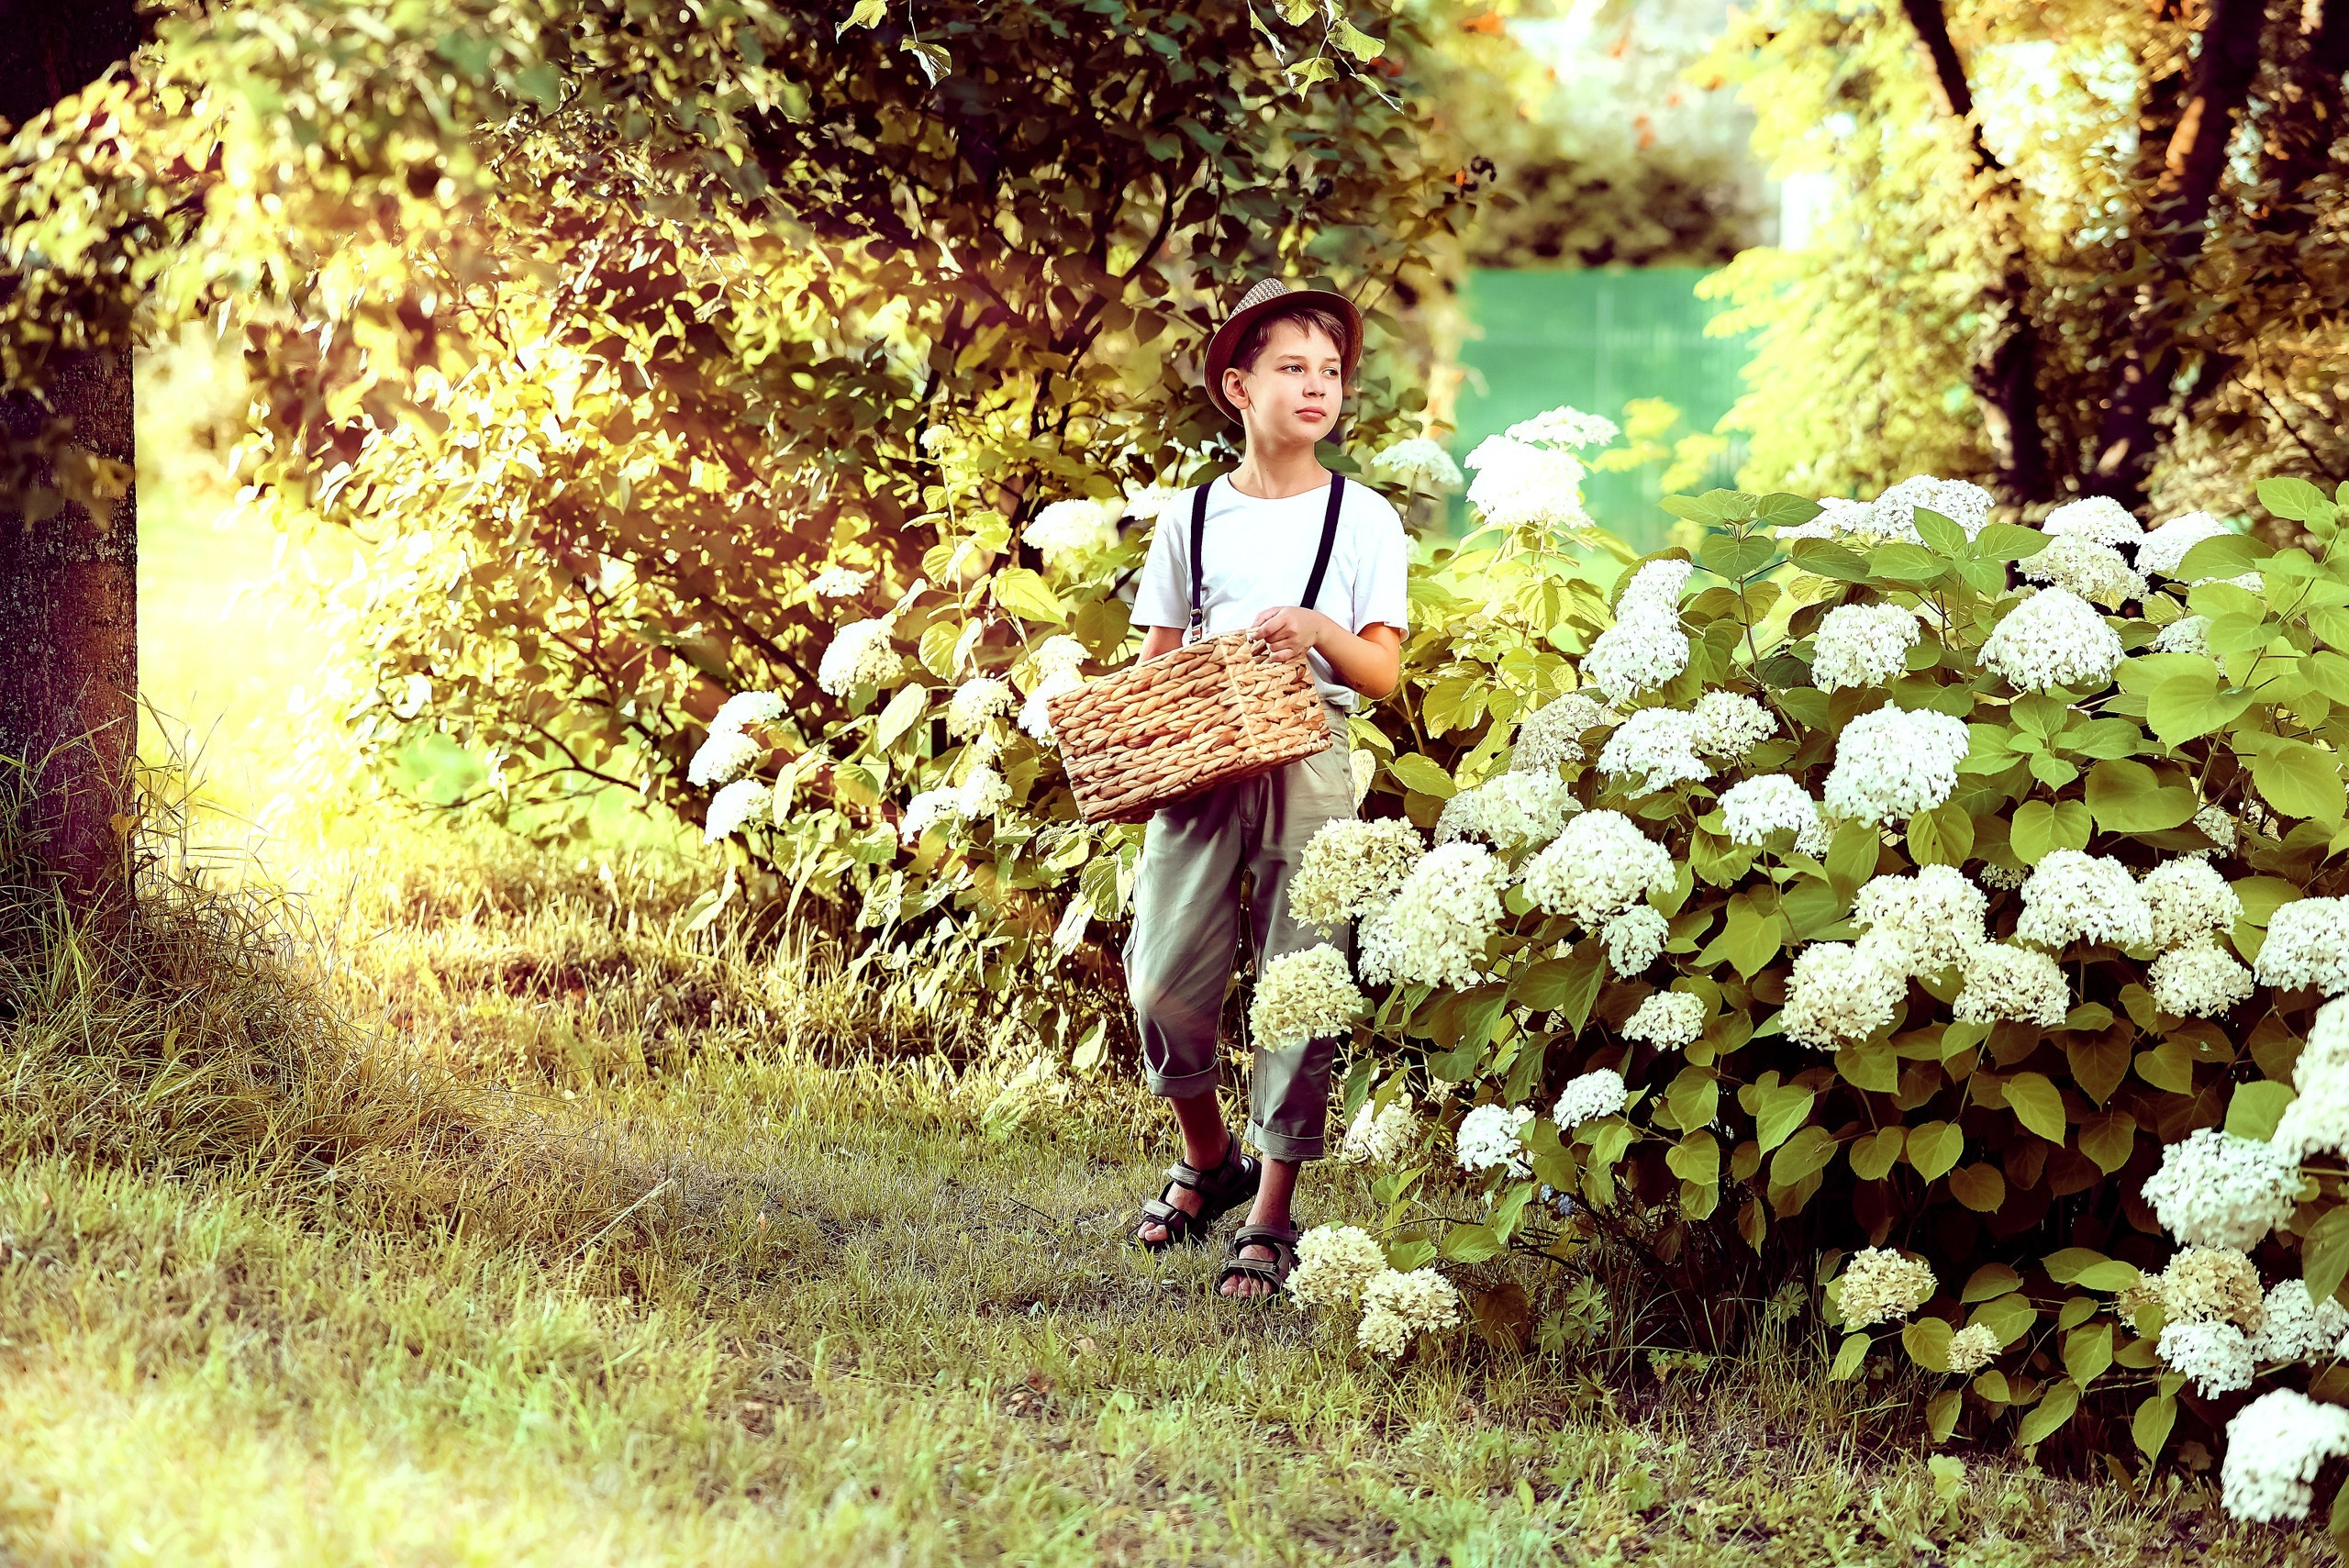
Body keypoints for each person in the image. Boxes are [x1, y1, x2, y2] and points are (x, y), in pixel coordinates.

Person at [1123, 278, 1410, 1297]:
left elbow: (1381, 672)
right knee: (1160, 978)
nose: (1317, 384)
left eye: (1329, 369)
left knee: (1301, 975)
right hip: (1199, 754)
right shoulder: (1192, 515)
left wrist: (1319, 629)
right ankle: (1210, 1158)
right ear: (1239, 387)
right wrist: (1137, 718)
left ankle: (1273, 1206)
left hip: (1310, 756)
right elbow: (1156, 664)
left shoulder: (1363, 517)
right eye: (1292, 367)